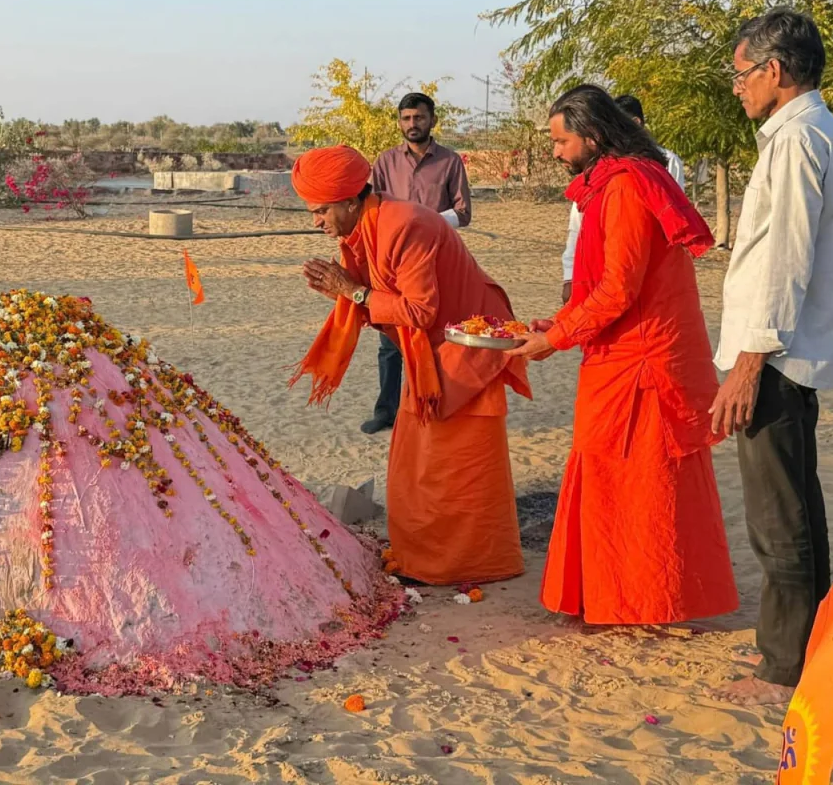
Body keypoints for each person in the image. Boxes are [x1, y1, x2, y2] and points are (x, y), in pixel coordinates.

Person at [510, 85, 739, 625]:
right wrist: (559, 324)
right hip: (624, 350)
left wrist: (557, 339)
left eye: (561, 142)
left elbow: (618, 289)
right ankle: (611, 593)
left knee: (643, 478)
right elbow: (604, 285)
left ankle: (644, 599)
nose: (556, 153)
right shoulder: (612, 183)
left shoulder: (627, 186)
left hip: (643, 359)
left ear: (592, 137)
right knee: (608, 469)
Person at [710, 8, 833, 707]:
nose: (736, 85)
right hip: (790, 353)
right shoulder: (823, 132)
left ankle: (782, 669)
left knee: (778, 518)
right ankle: (805, 648)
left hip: (774, 356)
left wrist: (748, 364)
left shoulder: (799, 138)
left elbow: (786, 261)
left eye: (741, 72)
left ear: (774, 70)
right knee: (798, 507)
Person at [289, 145, 528, 585]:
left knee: (454, 467)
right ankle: (424, 557)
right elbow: (380, 303)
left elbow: (419, 310)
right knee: (415, 465)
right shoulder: (364, 230)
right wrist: (346, 292)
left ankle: (471, 563)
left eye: (321, 211)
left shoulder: (404, 225)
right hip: (428, 354)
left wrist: (354, 292)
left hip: (468, 347)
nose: (316, 222)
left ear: (350, 200)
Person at [362, 93, 472, 434]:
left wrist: (426, 225)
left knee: (437, 337)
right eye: (407, 118)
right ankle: (387, 412)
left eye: (419, 118)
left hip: (438, 261)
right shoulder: (385, 162)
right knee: (390, 342)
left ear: (432, 120)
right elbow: (372, 209)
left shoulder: (450, 161)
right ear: (399, 122)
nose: (413, 124)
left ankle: (433, 408)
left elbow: (463, 213)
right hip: (393, 263)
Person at [560, 95, 685, 303]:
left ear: (635, 122)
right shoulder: (594, 166)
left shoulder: (660, 163)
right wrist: (569, 276)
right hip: (601, 273)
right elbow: (577, 225)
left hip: (646, 275)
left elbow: (670, 219)